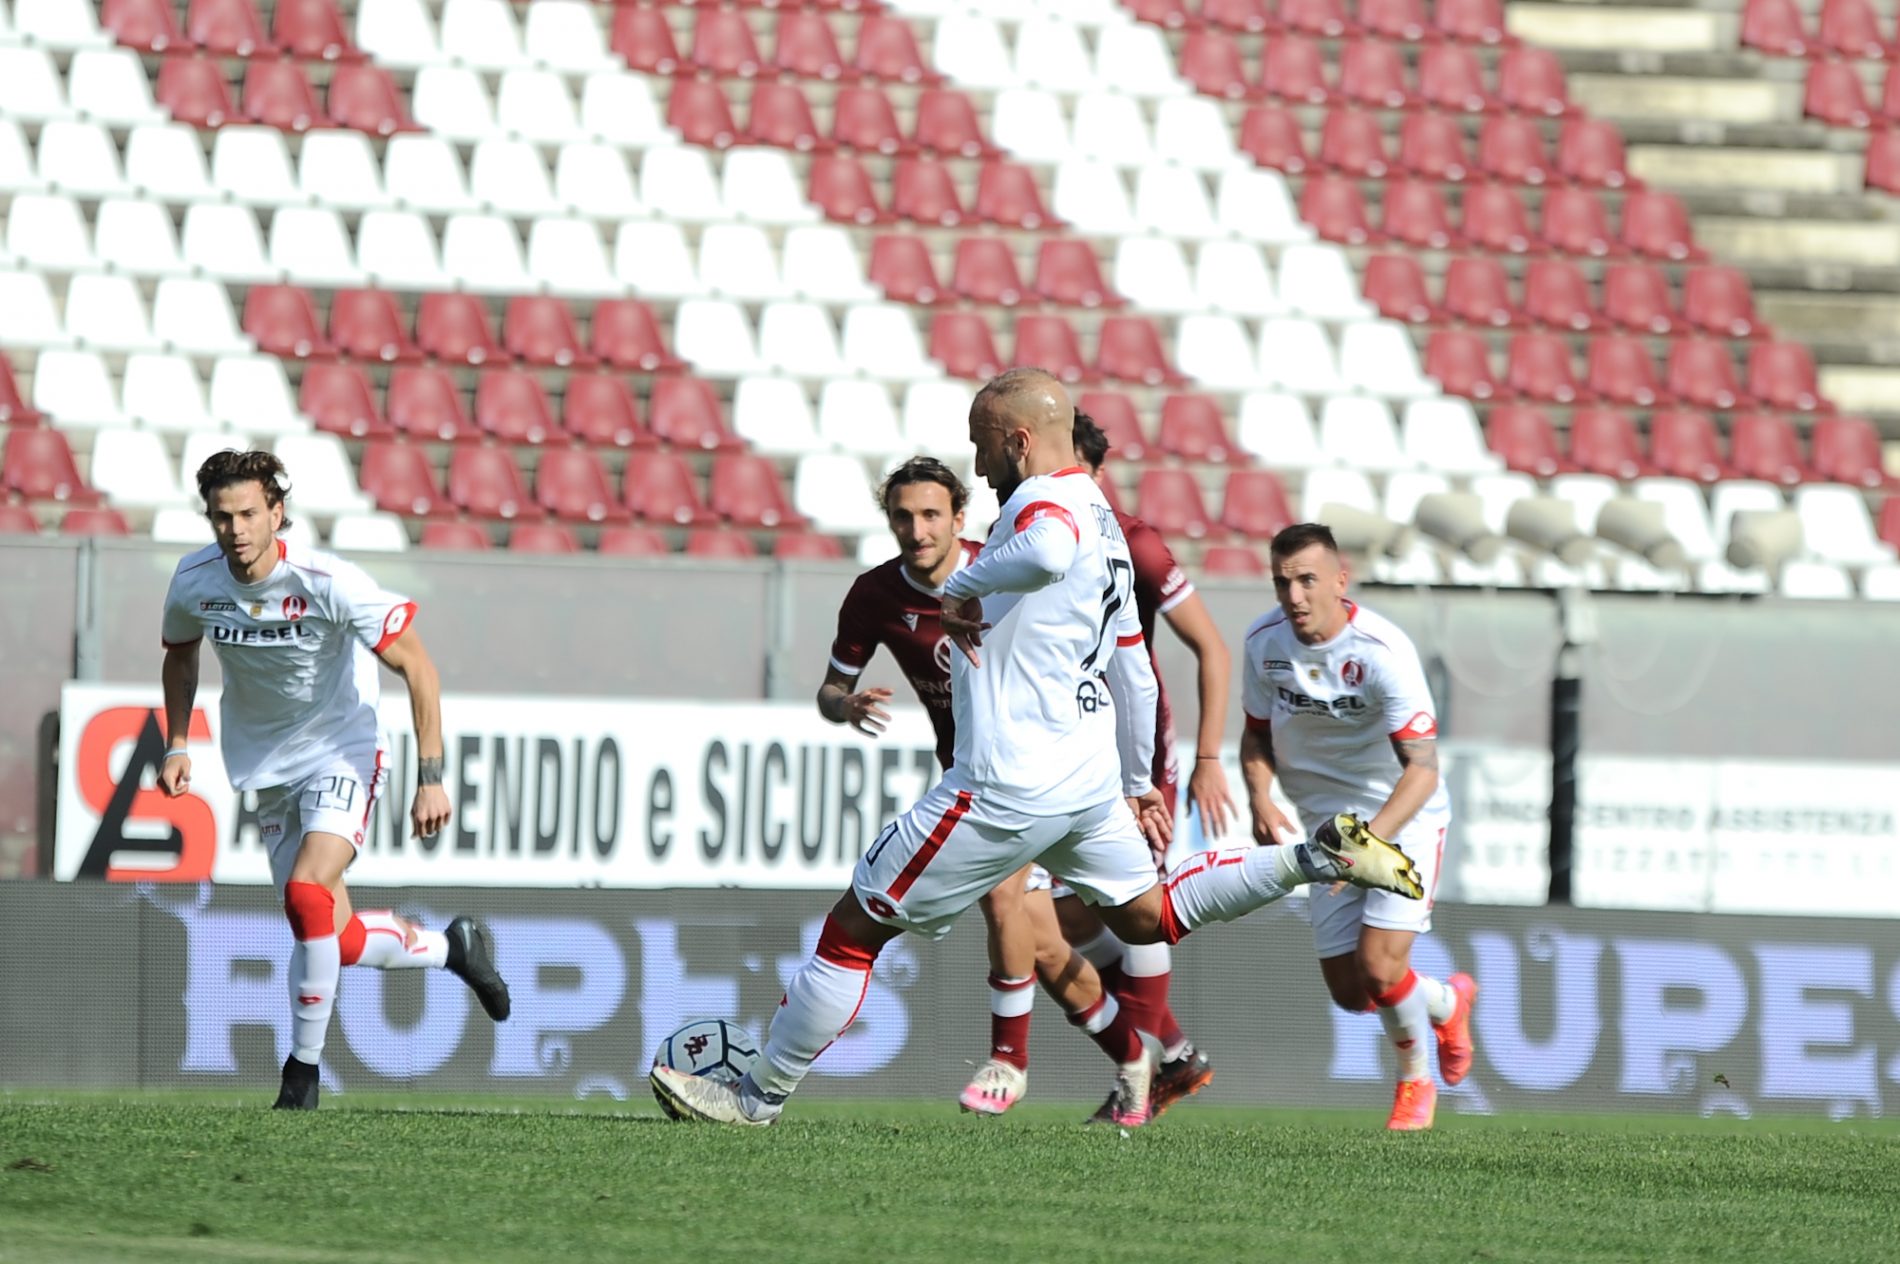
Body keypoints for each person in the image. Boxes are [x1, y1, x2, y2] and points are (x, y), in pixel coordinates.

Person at [652, 368, 1422, 1128]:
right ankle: (1314, 857)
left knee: (855, 929)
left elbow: (1046, 551)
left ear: (1018, 441)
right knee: (1148, 917)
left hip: (1006, 783)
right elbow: (1135, 669)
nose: (979, 463)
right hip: (1086, 782)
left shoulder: (1041, 505)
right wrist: (1135, 781)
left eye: (982, 444)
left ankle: (755, 1097)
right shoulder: (1107, 525)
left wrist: (963, 587)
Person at [816, 456, 1175, 1120]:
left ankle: (1008, 1061)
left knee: (1005, 903)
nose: (918, 530)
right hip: (970, 774)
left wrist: (1131, 767)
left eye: (932, 515)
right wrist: (846, 704)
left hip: (1036, 769)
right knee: (1044, 947)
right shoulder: (875, 594)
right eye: (903, 516)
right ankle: (1138, 1058)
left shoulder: (1008, 566)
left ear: (960, 517)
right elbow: (830, 690)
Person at [158, 449, 510, 1110]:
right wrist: (177, 742)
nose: (236, 529)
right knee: (336, 938)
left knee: (306, 890)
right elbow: (180, 656)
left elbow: (418, 666)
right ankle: (452, 948)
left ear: (276, 513)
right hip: (267, 768)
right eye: (222, 517)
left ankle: (302, 1074)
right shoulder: (195, 581)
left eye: (249, 514)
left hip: (342, 751)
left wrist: (431, 776)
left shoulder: (328, 581)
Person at [1239, 522, 1477, 1131]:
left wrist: (1368, 846)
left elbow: (1423, 769)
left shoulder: (1381, 651)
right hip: (1327, 829)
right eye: (1282, 582)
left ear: (1340, 581)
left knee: (1379, 966)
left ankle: (1415, 1083)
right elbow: (1256, 736)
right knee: (1351, 992)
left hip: (1404, 817)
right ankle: (1447, 1003)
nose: (1294, 596)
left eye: (1307, 580)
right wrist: (1259, 795)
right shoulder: (1263, 643)